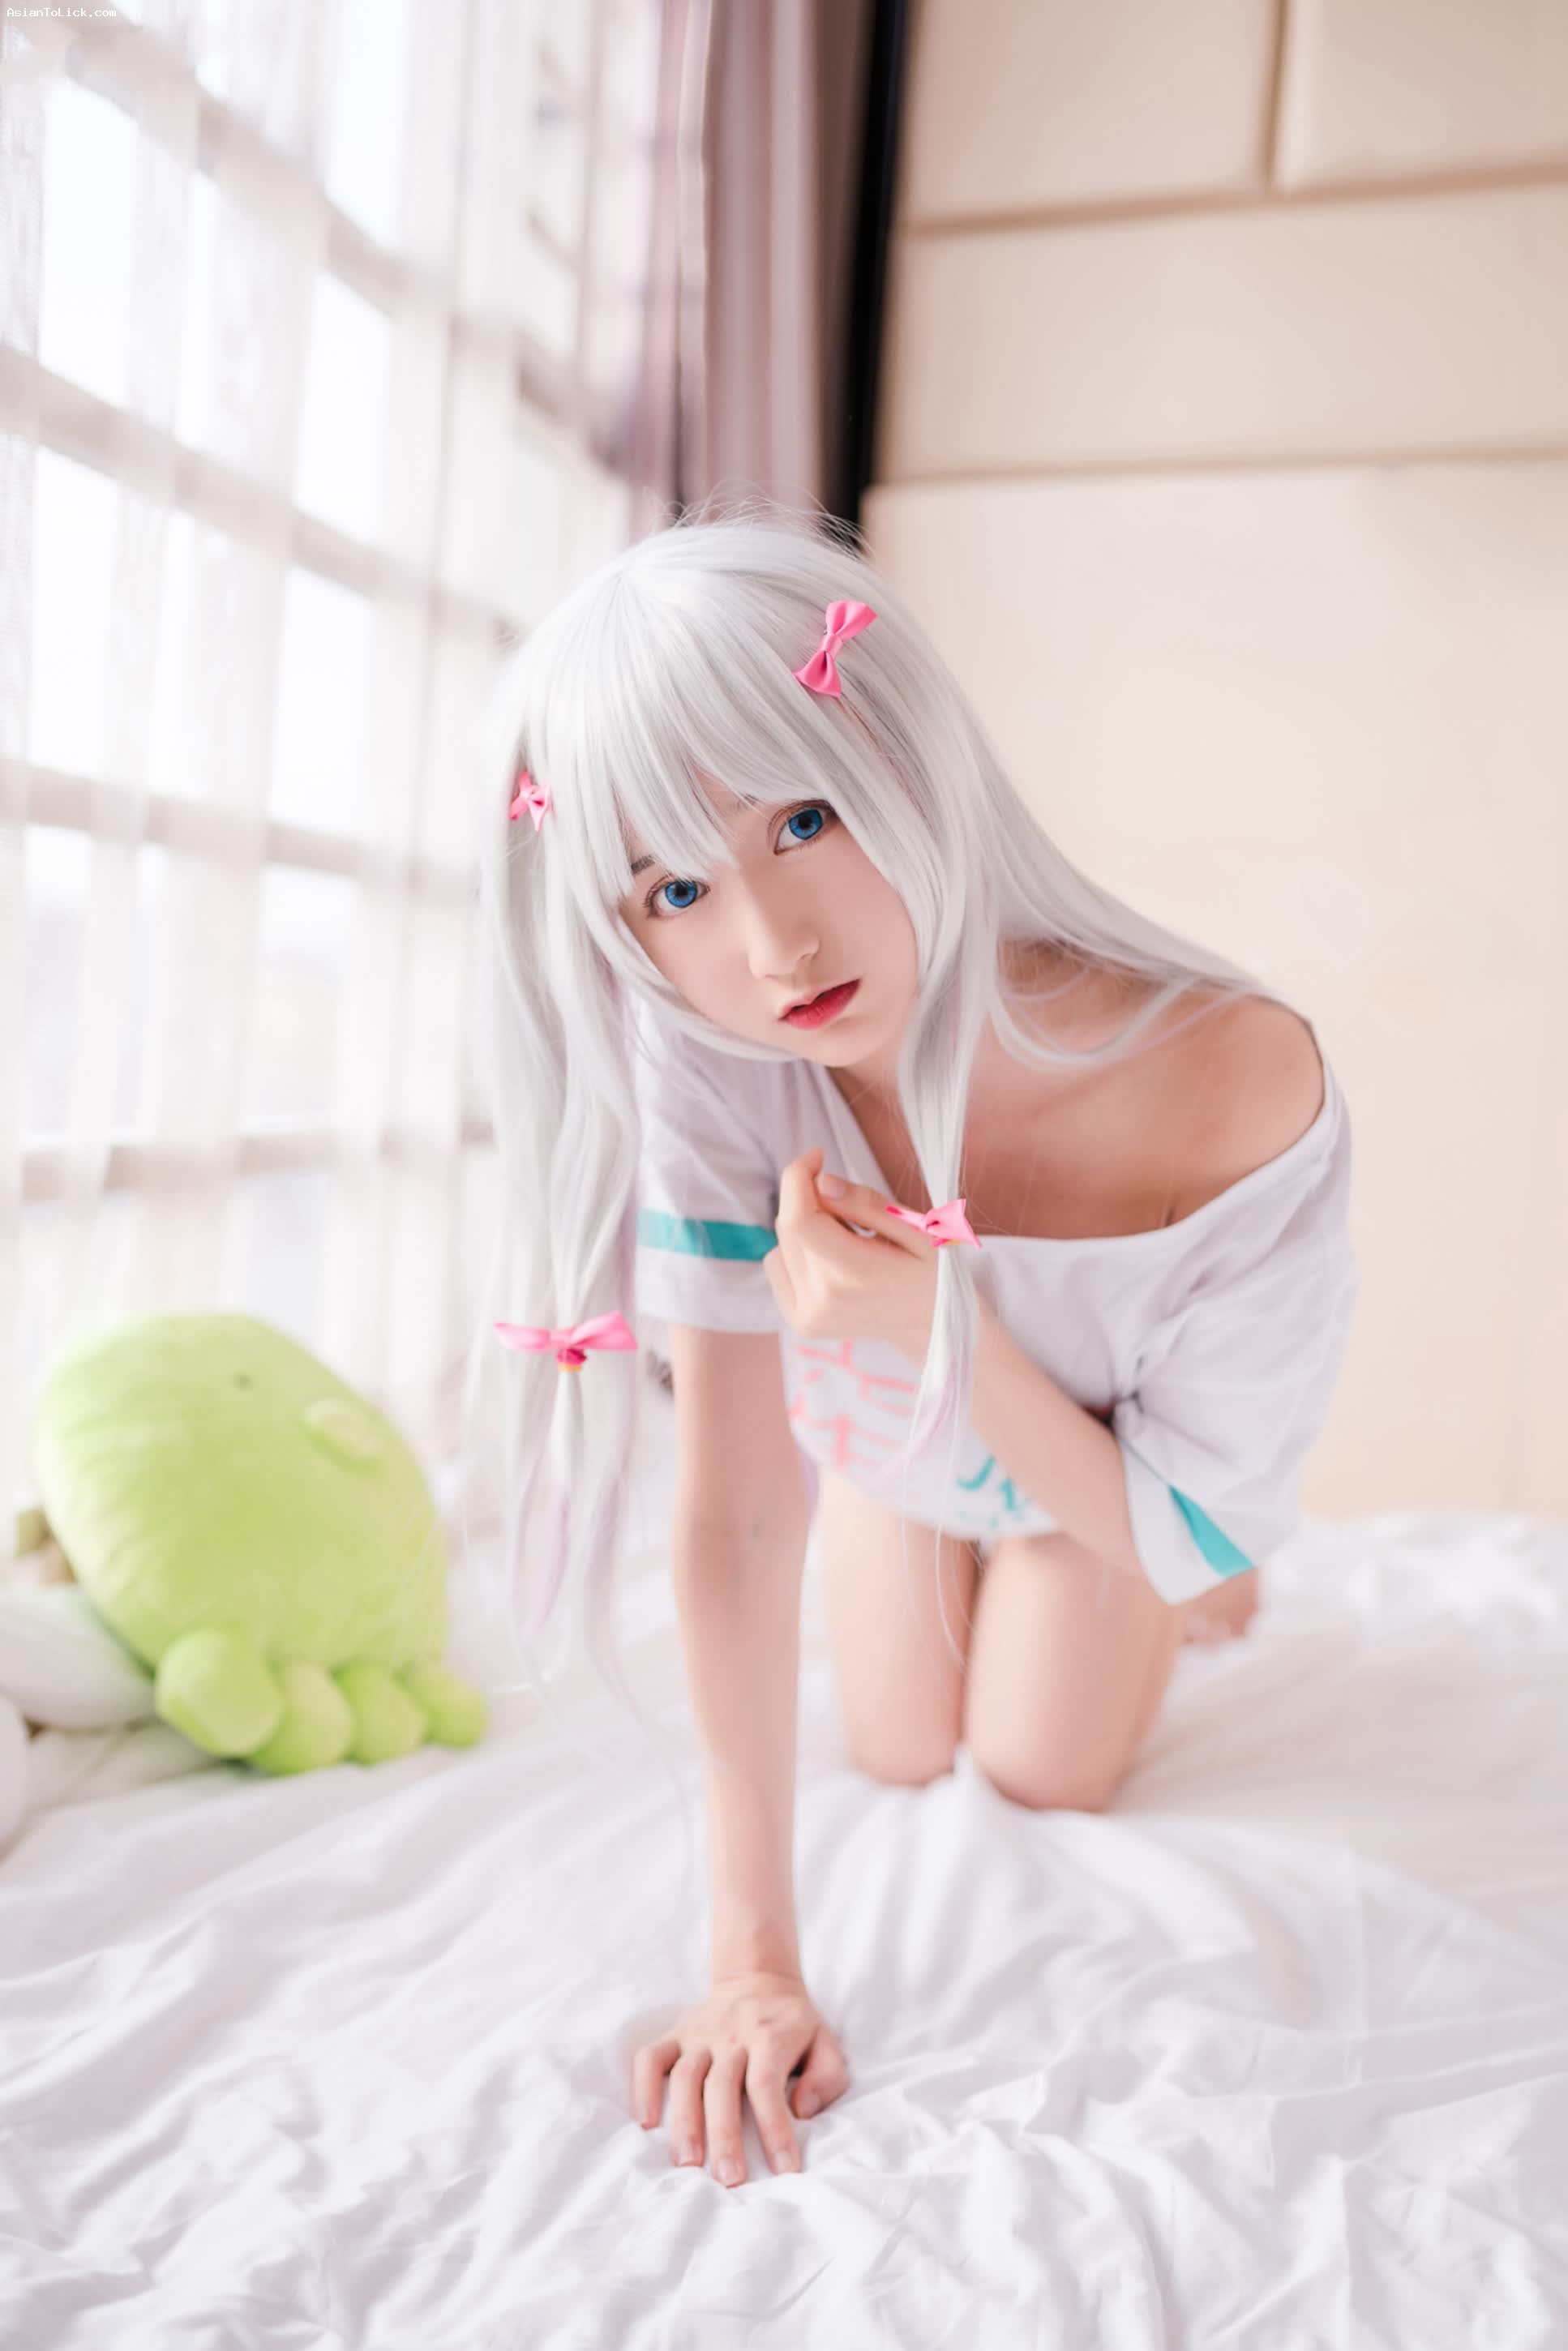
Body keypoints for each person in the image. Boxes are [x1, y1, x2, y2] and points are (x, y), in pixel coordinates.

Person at [464, 497, 1360, 2192]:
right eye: (674, 886)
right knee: (893, 1746)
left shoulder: (1233, 1074)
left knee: (1036, 1762)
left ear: (903, 751)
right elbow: (735, 1506)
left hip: (1106, 1472)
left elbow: (1188, 1517)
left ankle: (1191, 1602)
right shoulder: (712, 1048)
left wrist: (940, 1324)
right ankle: (1015, 1530)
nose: (772, 947)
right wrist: (750, 1960)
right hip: (889, 1439)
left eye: (802, 818)